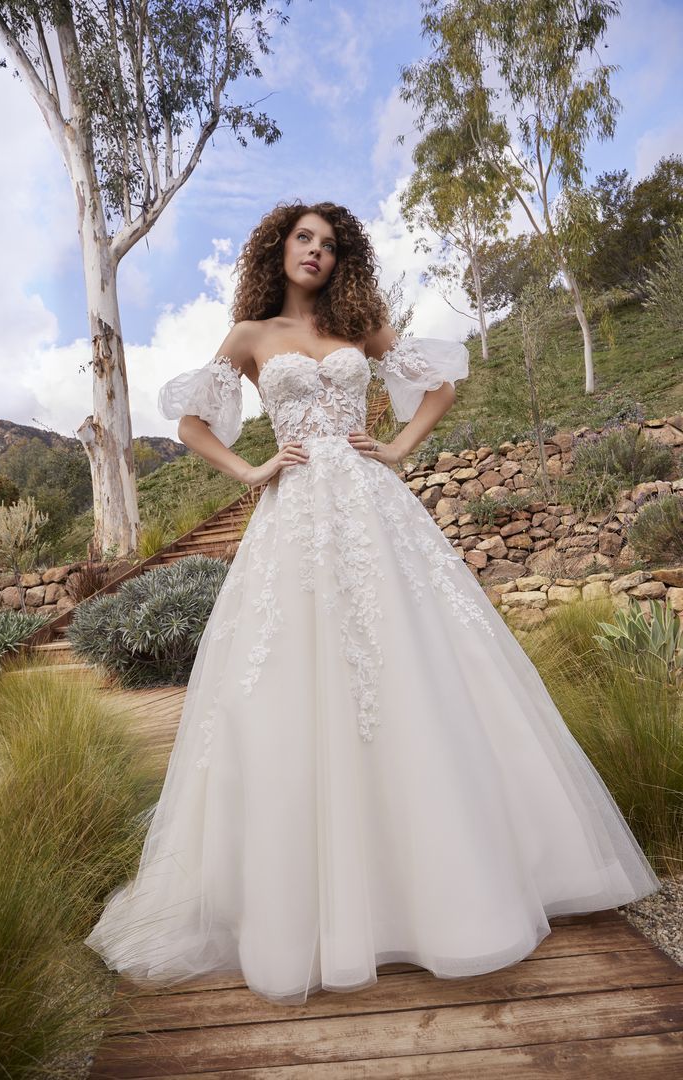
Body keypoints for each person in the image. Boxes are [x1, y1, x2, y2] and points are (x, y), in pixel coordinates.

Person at [84, 200, 661, 1005]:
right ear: (278, 250)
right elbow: (188, 424)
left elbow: (438, 389)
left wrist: (393, 450)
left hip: (375, 513)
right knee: (289, 688)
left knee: (415, 672)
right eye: (303, 239)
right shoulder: (250, 338)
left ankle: (450, 890)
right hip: (294, 525)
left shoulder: (361, 328)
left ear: (340, 257)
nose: (315, 251)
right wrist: (251, 473)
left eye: (329, 243)